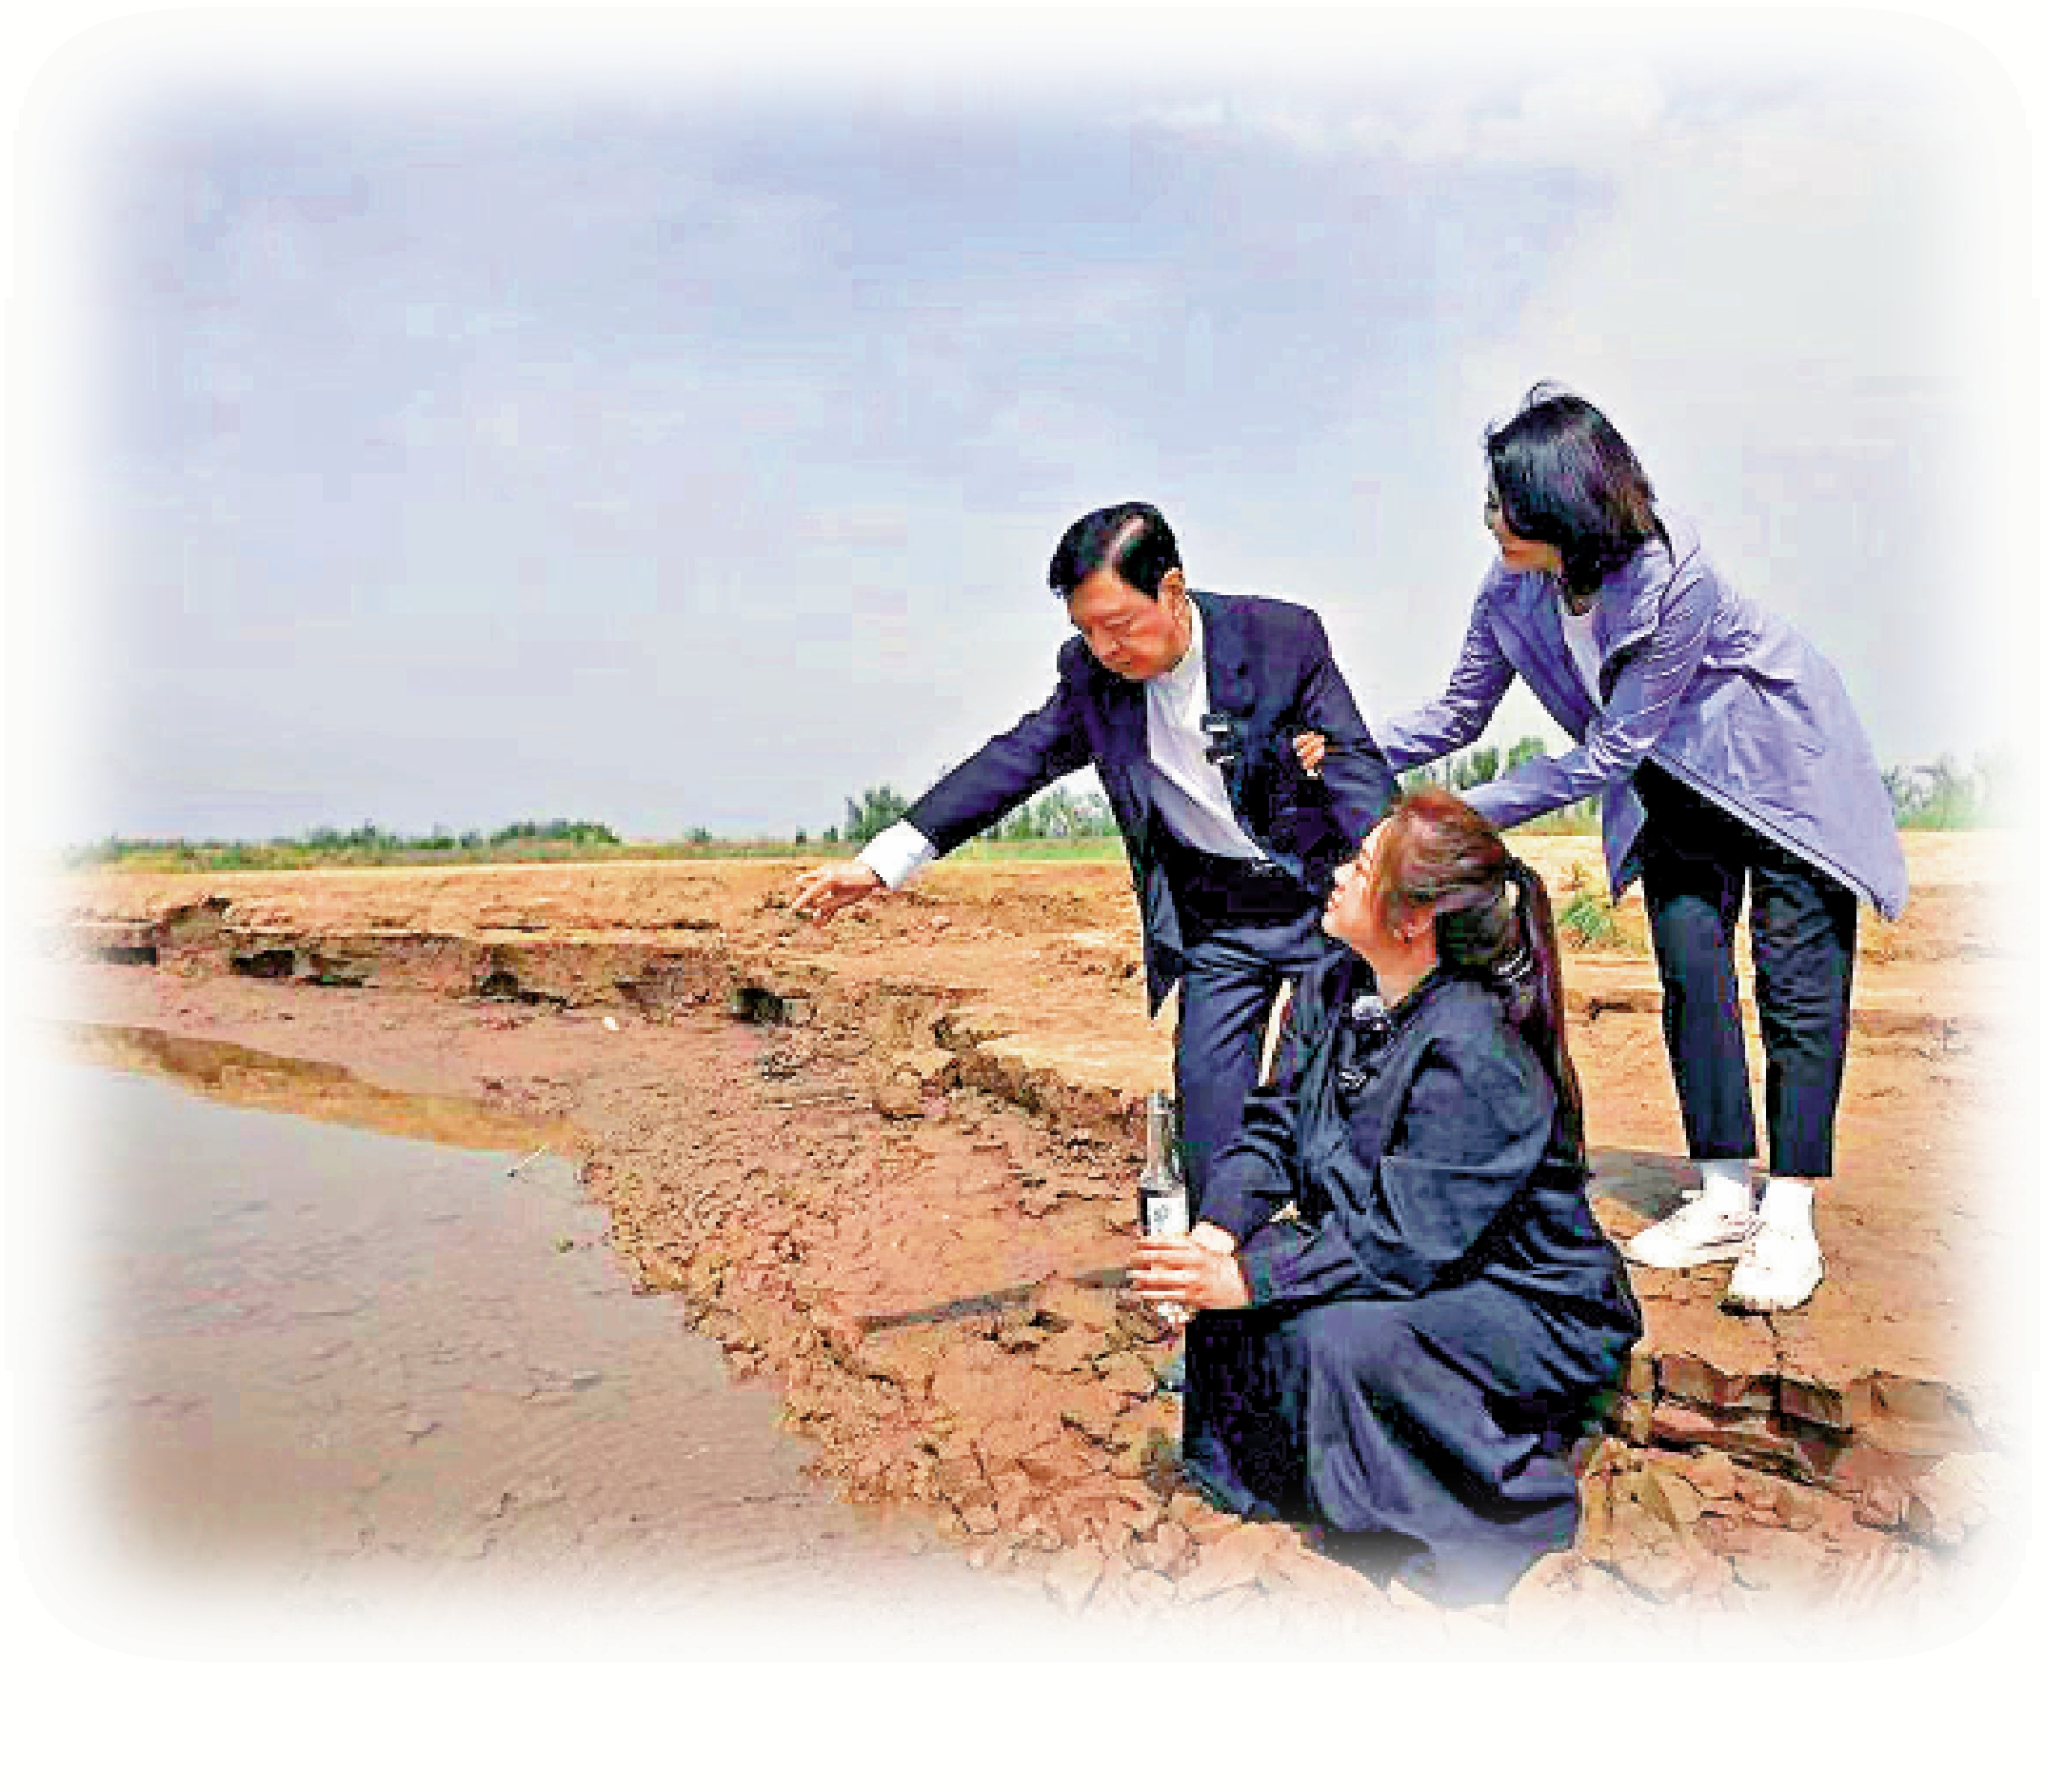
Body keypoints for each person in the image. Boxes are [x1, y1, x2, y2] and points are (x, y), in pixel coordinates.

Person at [1314, 385, 1906, 1314]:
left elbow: (1606, 753)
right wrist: (1348, 746)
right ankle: (1723, 1195)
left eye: (1505, 503)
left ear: (1565, 509)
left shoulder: (1673, 582)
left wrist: (1446, 816)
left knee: (1795, 985)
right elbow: (1461, 712)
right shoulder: (1510, 588)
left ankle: (1789, 1215)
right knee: (1692, 971)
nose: (1489, 519)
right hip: (1674, 787)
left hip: (1781, 772)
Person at [791, 502, 1398, 1212]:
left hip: (1322, 902)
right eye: (1086, 630)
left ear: (1172, 590)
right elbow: (1017, 760)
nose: (1106, 647)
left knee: (1320, 1098)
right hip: (1220, 921)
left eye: (1120, 625)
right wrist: (883, 861)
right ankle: (1224, 1259)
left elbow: (1352, 761)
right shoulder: (1093, 679)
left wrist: (1395, 865)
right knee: (1210, 1122)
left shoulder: (1278, 639)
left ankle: (1334, 1254)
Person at [1130, 788, 1641, 1606]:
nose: (1338, 873)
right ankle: (1302, 1492)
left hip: (1521, 1296)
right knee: (1235, 1301)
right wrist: (1218, 1237)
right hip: (1411, 1257)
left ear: (1414, 919)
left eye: (1364, 866)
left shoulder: (1475, 1046)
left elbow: (1408, 1241)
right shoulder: (1332, 986)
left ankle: (1495, 1515)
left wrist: (1255, 1279)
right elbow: (1272, 1129)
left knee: (1339, 1340)